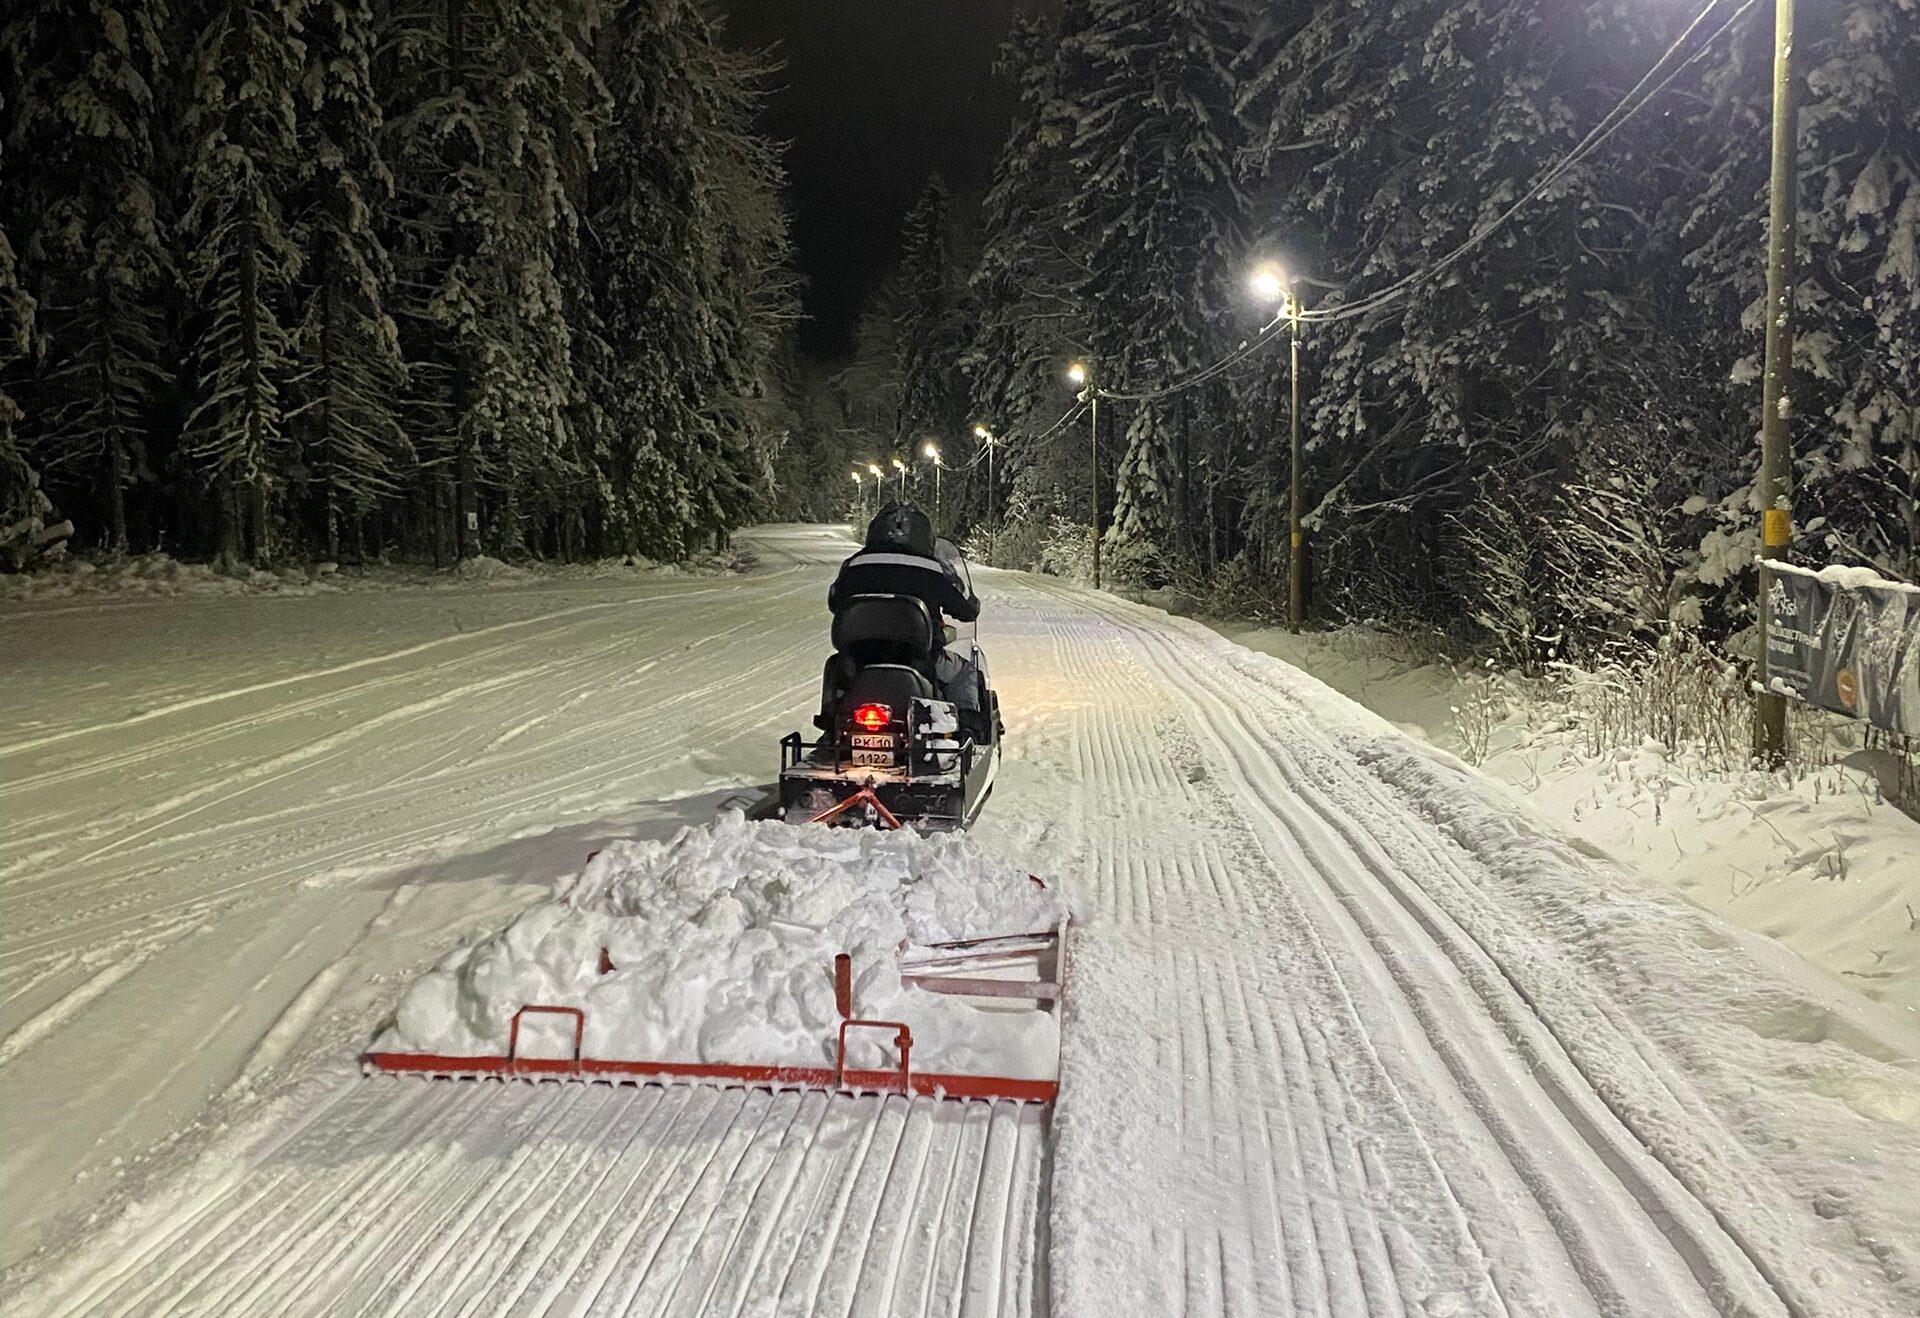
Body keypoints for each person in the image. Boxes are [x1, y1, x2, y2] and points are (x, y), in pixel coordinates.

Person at [829, 503, 988, 735]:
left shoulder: (853, 565)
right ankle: (967, 730)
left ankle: (830, 725)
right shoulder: (934, 568)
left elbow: (835, 601)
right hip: (920, 660)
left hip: (860, 661)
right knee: (966, 671)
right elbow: (967, 609)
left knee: (835, 665)